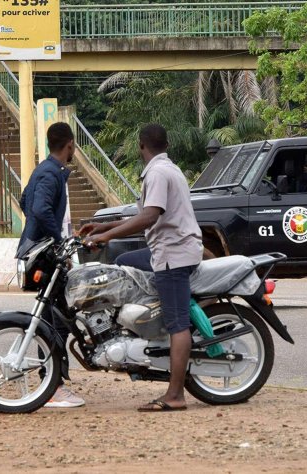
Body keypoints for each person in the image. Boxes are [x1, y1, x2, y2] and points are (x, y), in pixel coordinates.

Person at [80, 124, 203, 412]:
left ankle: (175, 395)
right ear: (166, 144)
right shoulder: (168, 169)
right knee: (123, 264)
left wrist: (105, 236)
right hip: (168, 250)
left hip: (173, 256)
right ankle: (140, 327)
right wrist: (104, 226)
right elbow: (144, 214)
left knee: (178, 324)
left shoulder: (158, 173)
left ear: (141, 146)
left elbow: (149, 216)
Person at [15, 122, 85, 408]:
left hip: (41, 249)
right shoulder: (50, 173)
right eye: (73, 147)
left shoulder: (45, 171)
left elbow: (24, 201)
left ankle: (51, 381)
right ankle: (52, 384)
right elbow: (39, 208)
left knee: (52, 317)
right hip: (46, 254)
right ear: (69, 145)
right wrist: (57, 240)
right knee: (55, 319)